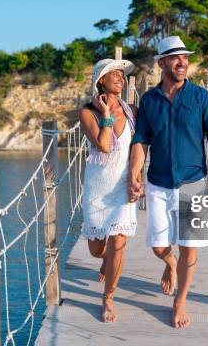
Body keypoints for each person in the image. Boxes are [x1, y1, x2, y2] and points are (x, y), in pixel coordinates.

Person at [128, 36, 208, 328]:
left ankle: (180, 300)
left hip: (193, 183)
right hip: (158, 183)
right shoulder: (148, 100)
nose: (182, 62)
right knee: (159, 246)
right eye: (175, 58)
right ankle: (169, 264)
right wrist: (134, 175)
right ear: (161, 63)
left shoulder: (200, 98)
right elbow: (140, 141)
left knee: (189, 245)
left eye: (185, 57)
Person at [79, 58, 138, 323]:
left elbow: (139, 147)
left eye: (122, 74)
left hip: (123, 188)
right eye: (113, 73)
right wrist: (105, 115)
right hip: (97, 190)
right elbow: (103, 146)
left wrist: (138, 178)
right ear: (100, 80)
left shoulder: (132, 111)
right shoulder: (87, 113)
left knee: (118, 242)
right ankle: (105, 261)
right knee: (97, 250)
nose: (120, 77)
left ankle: (108, 299)